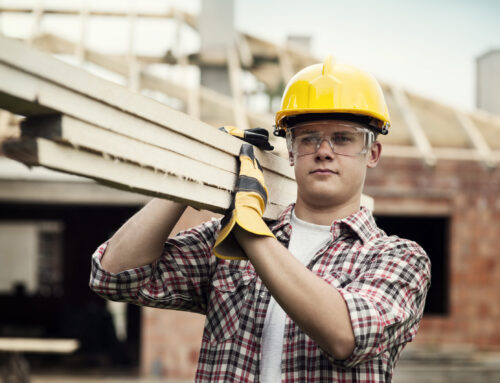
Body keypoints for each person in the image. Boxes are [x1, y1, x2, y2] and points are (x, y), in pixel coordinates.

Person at [90, 56, 431, 382]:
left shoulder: (398, 258)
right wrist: (194, 174)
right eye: (308, 137)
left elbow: (346, 335)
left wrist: (248, 230)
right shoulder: (226, 238)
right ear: (291, 150)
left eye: (342, 138)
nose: (323, 150)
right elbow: (114, 275)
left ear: (372, 153)